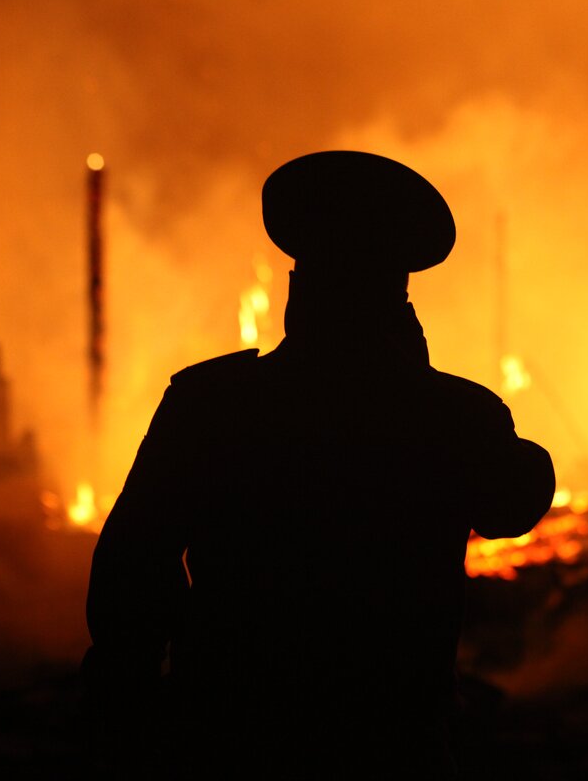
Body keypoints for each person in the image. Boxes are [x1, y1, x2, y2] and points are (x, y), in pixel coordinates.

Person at [84, 151, 556, 778]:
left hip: (232, 743)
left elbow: (131, 572)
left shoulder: (211, 403)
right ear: (398, 293)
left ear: (299, 287)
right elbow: (514, 501)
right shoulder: (455, 416)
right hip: (393, 746)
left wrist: (135, 715)